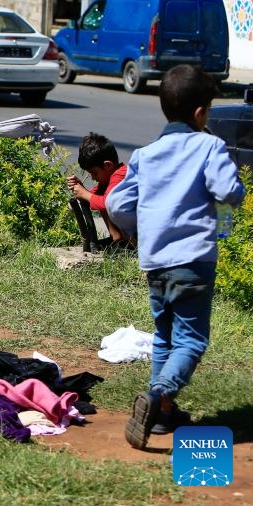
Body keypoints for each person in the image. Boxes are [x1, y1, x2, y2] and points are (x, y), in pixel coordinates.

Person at [107, 65, 245, 450]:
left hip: (155, 261)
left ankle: (163, 415)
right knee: (192, 340)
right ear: (201, 113)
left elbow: (118, 202)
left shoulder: (146, 154)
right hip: (193, 259)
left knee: (165, 336)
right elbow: (226, 189)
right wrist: (236, 194)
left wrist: (142, 226)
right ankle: (158, 396)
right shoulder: (210, 146)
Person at [66, 132, 129, 250]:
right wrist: (81, 190)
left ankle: (122, 243)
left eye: (94, 173)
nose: (93, 178)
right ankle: (119, 242)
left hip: (141, 234)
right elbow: (93, 198)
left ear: (108, 165)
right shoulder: (107, 181)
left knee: (104, 203)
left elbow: (107, 203)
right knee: (100, 199)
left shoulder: (121, 175)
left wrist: (84, 193)